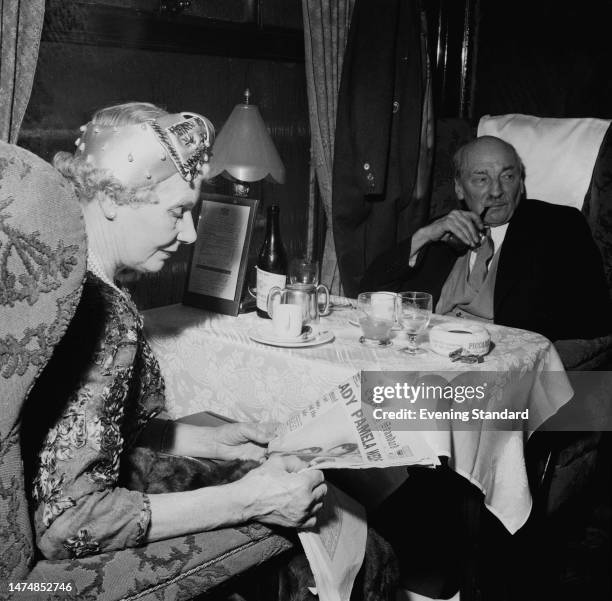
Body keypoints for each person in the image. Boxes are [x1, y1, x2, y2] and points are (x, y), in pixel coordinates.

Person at [20, 102, 327, 561]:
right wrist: (251, 500)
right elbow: (68, 524)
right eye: (177, 211)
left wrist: (208, 441)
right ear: (110, 198)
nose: (188, 235)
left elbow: (92, 431)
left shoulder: (69, 276)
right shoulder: (100, 315)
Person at [360, 135, 612, 342]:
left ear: (521, 184)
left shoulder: (558, 226)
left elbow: (593, 318)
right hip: (428, 353)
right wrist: (423, 236)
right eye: (482, 179)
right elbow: (370, 292)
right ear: (459, 188)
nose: (496, 191)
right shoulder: (442, 228)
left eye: (507, 176)